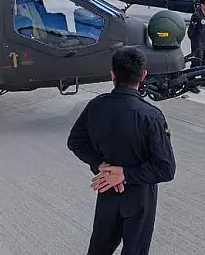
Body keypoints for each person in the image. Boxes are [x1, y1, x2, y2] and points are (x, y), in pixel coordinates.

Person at [67, 47, 177, 255]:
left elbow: (76, 142)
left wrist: (102, 166)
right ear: (143, 76)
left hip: (107, 189)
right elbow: (166, 169)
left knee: (99, 249)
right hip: (139, 197)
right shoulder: (151, 116)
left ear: (112, 75)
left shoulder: (96, 106)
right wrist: (125, 174)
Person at [187, 0, 205, 93]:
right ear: (202, 5)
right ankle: (191, 83)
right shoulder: (196, 16)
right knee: (196, 62)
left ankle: (204, 80)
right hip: (198, 43)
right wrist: (195, 42)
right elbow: (190, 32)